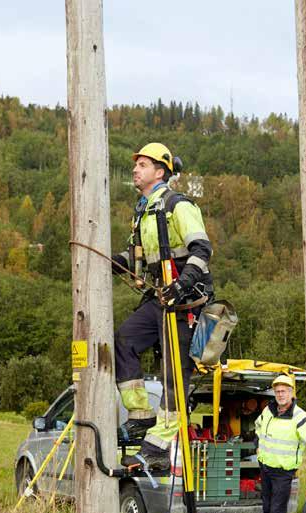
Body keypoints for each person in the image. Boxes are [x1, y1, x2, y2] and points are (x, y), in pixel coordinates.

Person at [112, 142, 214, 471]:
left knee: (174, 373)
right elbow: (137, 260)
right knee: (125, 339)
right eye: (136, 164)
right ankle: (141, 416)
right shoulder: (143, 211)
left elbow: (202, 249)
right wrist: (116, 262)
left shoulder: (177, 205)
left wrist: (181, 285)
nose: (135, 169)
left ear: (160, 172)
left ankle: (159, 444)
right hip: (159, 297)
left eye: (142, 164)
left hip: (185, 300)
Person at [254, 374, 306, 513]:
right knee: (268, 510)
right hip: (266, 468)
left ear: (292, 393)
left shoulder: (300, 417)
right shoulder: (268, 411)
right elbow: (258, 427)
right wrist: (259, 445)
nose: (280, 394)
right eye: (277, 391)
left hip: (283, 473)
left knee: (277, 511)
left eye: (284, 391)